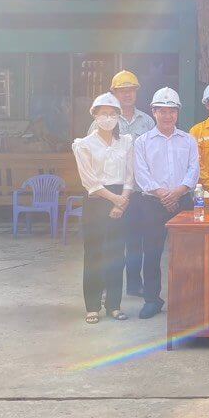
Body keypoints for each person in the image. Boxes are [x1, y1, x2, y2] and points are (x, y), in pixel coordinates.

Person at [131, 87, 199, 319]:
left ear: (178, 113)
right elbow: (141, 174)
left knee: (187, 253)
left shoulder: (188, 140)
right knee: (151, 253)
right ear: (154, 111)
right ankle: (152, 300)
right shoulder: (142, 142)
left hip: (183, 201)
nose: (168, 115)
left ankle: (186, 297)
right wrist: (163, 194)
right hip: (152, 204)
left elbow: (193, 170)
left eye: (172, 111)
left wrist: (177, 193)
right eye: (162, 111)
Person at [87, 70, 156, 298]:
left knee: (136, 241)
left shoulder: (147, 121)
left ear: (136, 92)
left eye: (131, 90)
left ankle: (134, 284)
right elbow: (91, 157)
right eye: (122, 91)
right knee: (109, 242)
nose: (127, 94)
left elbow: (152, 156)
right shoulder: (100, 121)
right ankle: (107, 285)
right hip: (110, 192)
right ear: (113, 93)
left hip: (137, 191)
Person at [72, 93, 134, 324]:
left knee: (116, 255)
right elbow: (89, 181)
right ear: (95, 116)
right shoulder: (84, 145)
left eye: (112, 113)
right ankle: (92, 306)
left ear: (118, 116)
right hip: (96, 201)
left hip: (121, 199)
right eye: (103, 113)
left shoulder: (126, 142)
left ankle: (114, 305)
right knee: (94, 254)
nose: (108, 118)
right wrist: (115, 200)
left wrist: (123, 200)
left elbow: (130, 175)